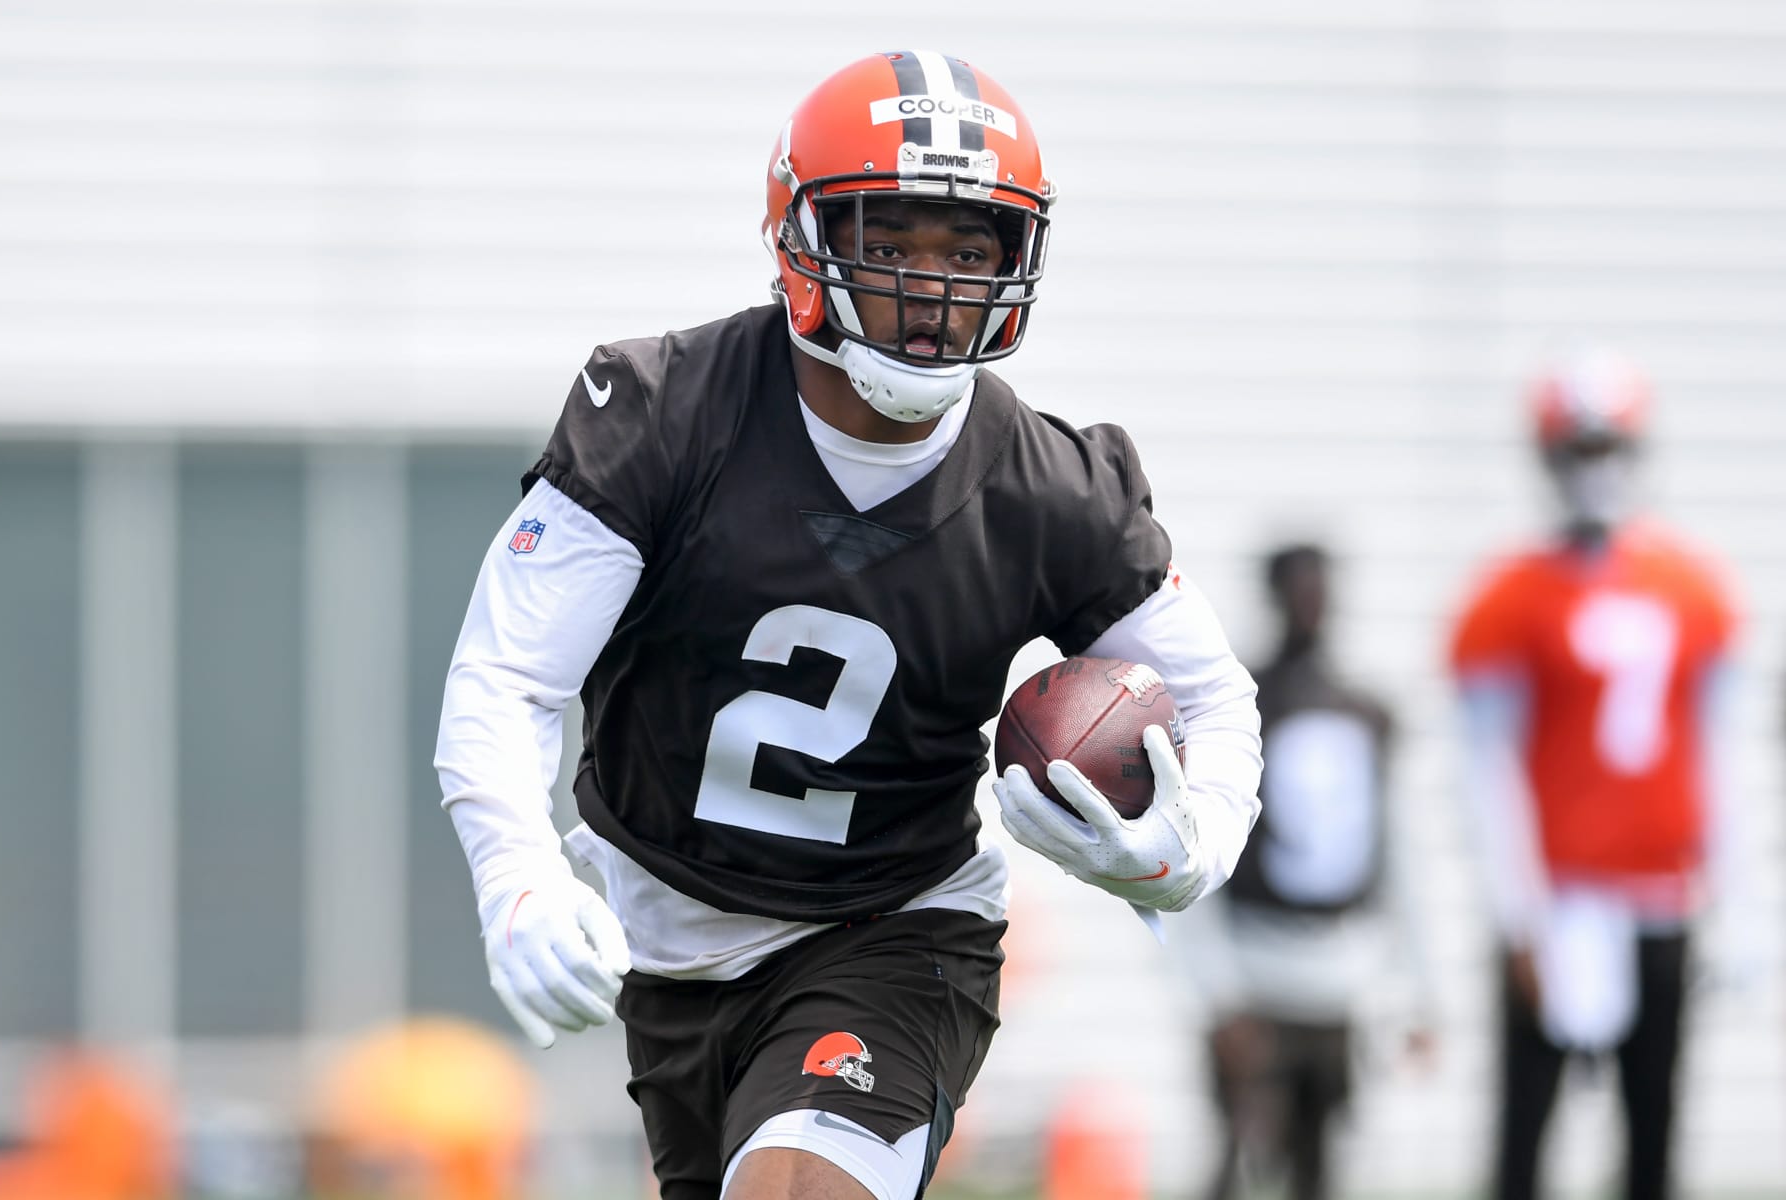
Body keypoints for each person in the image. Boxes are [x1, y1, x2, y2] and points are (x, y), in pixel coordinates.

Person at [434, 51, 1263, 1200]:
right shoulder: (665, 415)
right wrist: (515, 874)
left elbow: (1216, 698)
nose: (934, 289)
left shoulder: (1051, 488)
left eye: (968, 251)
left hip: (893, 929)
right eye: (897, 244)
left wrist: (1179, 853)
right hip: (667, 941)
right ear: (803, 239)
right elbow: (507, 676)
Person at [1448, 350, 1746, 1200]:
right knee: (1526, 1133)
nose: (1597, 471)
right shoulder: (1509, 595)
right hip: (1562, 901)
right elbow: (1486, 769)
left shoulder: (1693, 585)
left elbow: (1720, 752)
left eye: (1609, 448)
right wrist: (1519, 912)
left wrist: (1738, 893)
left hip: (1660, 897)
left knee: (1653, 1126)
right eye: (1579, 451)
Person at [1191, 544, 1434, 1200]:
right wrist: (1216, 991)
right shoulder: (1239, 706)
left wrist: (1417, 989)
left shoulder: (1367, 712)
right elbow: (1199, 850)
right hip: (1256, 968)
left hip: (1337, 978)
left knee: (1319, 1158)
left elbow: (1396, 853)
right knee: (1239, 1151)